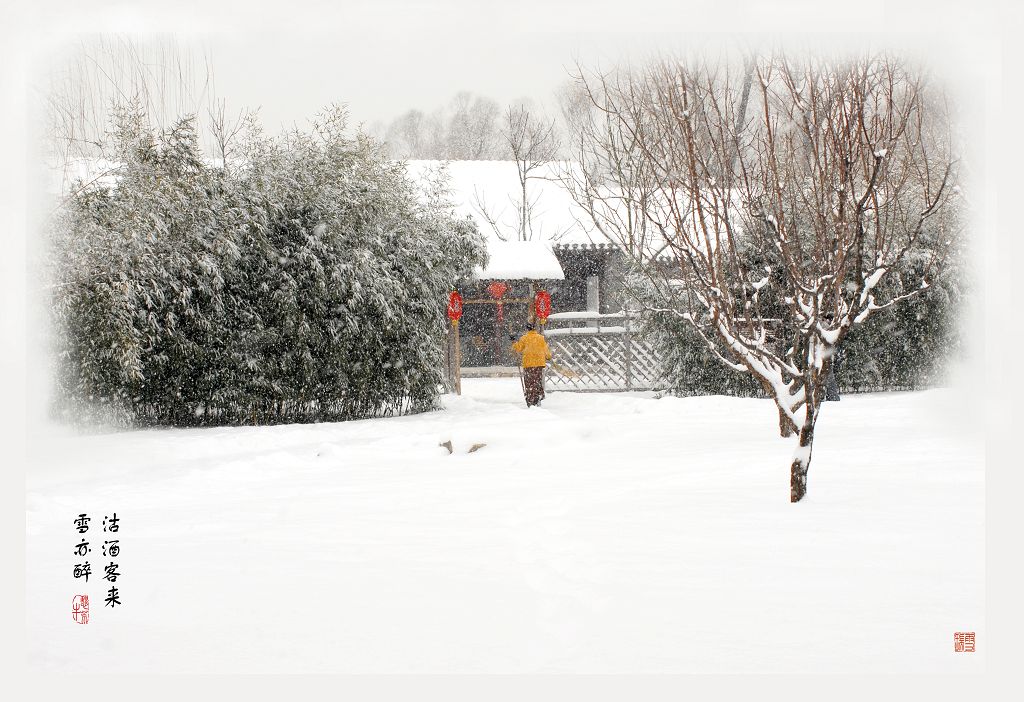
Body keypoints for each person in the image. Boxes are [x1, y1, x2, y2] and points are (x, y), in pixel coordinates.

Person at [510, 325, 551, 407]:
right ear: (534, 329)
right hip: (539, 364)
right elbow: (545, 349)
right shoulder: (541, 338)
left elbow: (518, 348)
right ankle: (538, 395)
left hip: (528, 364)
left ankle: (530, 398)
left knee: (529, 382)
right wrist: (548, 356)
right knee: (537, 380)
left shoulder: (524, 338)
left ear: (527, 330)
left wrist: (513, 341)